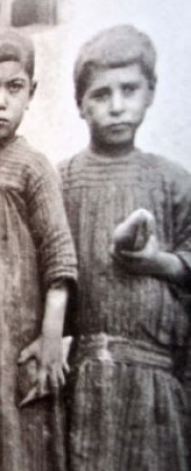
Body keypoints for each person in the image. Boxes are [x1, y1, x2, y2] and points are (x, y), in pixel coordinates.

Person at [59, 24, 191, 471]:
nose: (117, 106)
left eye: (129, 90)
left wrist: (160, 262)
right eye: (101, 94)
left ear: (150, 92)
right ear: (80, 103)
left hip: (159, 387)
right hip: (88, 383)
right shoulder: (63, 181)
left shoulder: (172, 182)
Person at [0, 29, 78, 471]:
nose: (0, 101)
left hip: (17, 334)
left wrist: (50, 338)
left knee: (20, 442)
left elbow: (59, 256)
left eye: (13, 88)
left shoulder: (34, 167)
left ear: (31, 92)